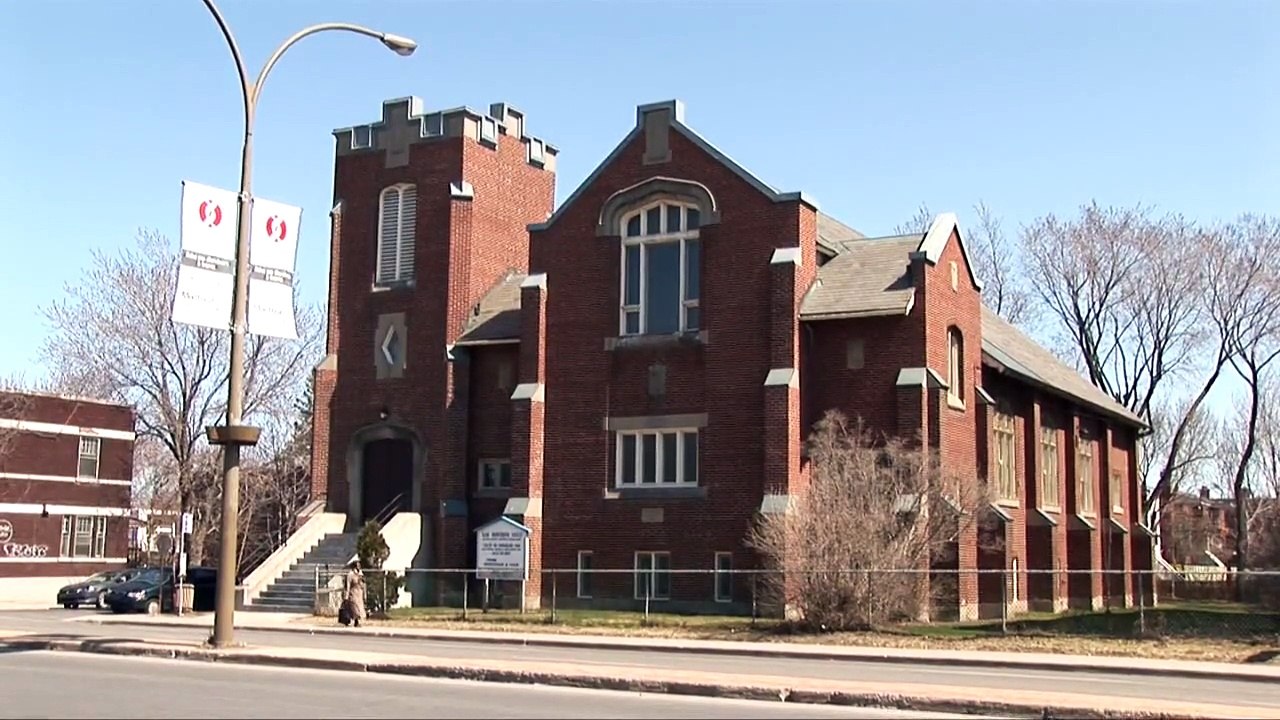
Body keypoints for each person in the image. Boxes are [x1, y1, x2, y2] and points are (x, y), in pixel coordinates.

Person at [342, 560, 366, 628]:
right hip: (353, 593)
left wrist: (364, 594)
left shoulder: (360, 574)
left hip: (359, 593)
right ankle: (353, 621)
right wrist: (346, 596)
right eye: (357, 566)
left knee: (360, 608)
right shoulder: (350, 574)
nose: (359, 567)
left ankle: (356, 621)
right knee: (354, 608)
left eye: (359, 566)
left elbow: (363, 584)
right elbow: (348, 586)